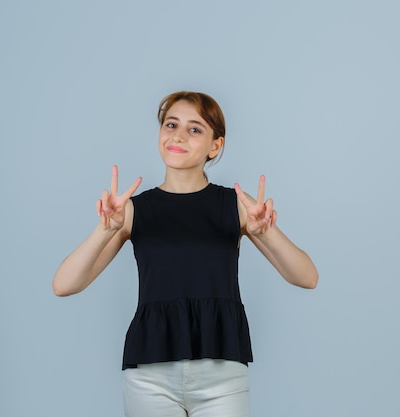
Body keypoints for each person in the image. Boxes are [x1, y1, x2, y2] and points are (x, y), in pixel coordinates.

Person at [52, 91, 318, 417]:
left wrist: (267, 232)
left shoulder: (235, 205)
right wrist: (105, 230)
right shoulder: (133, 211)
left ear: (215, 145)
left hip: (222, 372)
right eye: (171, 124)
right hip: (150, 374)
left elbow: (307, 277)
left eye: (195, 129)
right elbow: (64, 285)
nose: (177, 135)